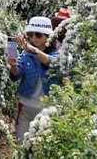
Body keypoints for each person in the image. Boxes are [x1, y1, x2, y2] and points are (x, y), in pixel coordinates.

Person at [7, 16, 60, 144]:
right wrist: (13, 65)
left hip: (48, 108)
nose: (33, 38)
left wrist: (34, 50)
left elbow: (53, 63)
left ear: (48, 36)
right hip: (25, 107)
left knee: (44, 146)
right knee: (21, 145)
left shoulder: (58, 54)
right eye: (30, 35)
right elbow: (16, 75)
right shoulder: (26, 54)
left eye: (38, 35)